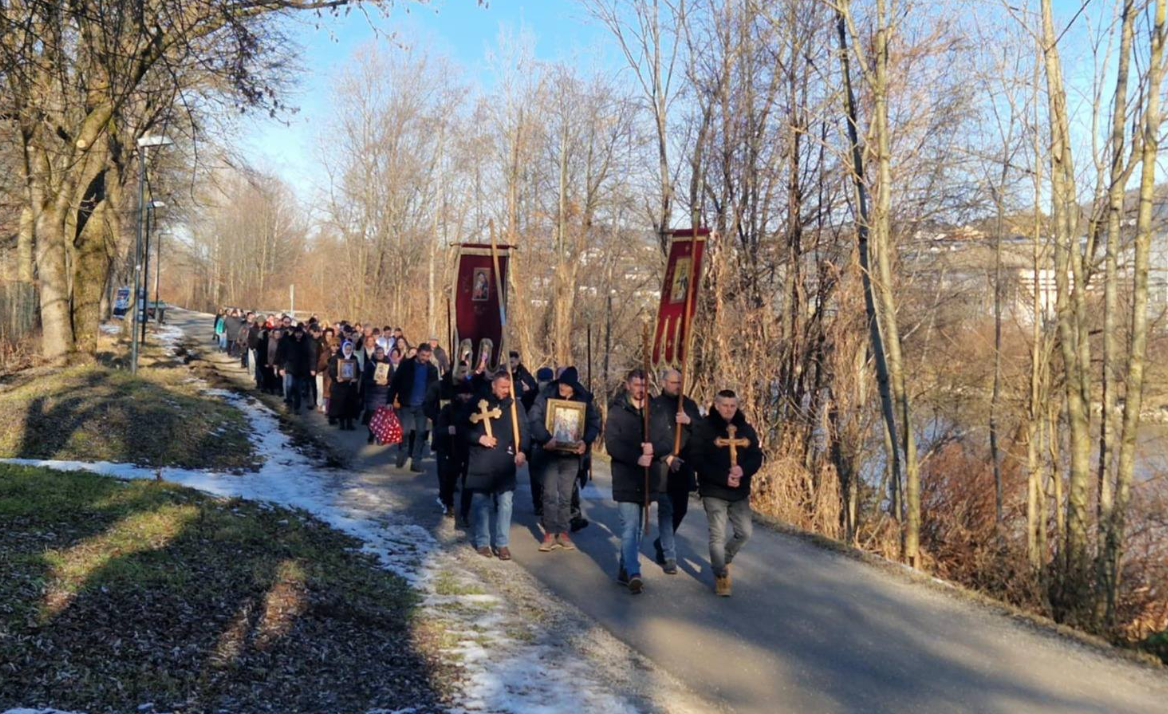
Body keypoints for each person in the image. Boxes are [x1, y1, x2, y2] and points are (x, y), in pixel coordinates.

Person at [604, 369, 671, 594]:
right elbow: (612, 444)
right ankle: (634, 571)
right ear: (628, 385)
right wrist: (636, 457)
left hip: (648, 477)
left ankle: (624, 568)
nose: (640, 390)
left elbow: (667, 441)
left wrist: (655, 449)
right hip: (625, 476)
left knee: (639, 529)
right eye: (636, 385)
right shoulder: (617, 411)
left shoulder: (656, 412)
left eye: (643, 385)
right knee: (629, 525)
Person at [692, 389, 764, 597]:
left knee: (745, 532)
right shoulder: (704, 428)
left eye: (733, 405)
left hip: (739, 491)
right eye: (724, 405)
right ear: (716, 405)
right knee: (717, 534)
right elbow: (697, 459)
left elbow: (756, 456)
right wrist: (723, 477)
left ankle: (724, 558)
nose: (729, 409)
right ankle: (721, 575)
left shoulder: (745, 429)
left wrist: (743, 470)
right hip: (713, 490)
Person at [529, 366, 600, 552]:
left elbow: (594, 424)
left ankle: (563, 532)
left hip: (572, 455)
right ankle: (549, 533)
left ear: (574, 386)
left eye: (567, 385)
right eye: (561, 383)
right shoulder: (546, 395)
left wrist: (585, 441)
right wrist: (545, 438)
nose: (562, 387)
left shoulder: (583, 399)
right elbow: (534, 418)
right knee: (550, 494)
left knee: (566, 496)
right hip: (550, 454)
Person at [464, 372, 529, 559]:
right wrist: (479, 438)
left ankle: (502, 544)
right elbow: (462, 428)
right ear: (493, 385)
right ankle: (483, 541)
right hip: (482, 459)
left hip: (504, 461)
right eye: (502, 387)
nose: (505, 391)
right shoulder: (477, 402)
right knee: (481, 503)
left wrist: (522, 450)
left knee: (506, 503)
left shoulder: (515, 405)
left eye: (508, 387)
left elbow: (524, 430)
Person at [649, 368, 702, 574]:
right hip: (663, 465)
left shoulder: (688, 405)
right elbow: (650, 436)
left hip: (684, 464)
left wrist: (689, 421)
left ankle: (661, 541)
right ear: (663, 383)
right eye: (673, 383)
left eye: (679, 383)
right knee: (666, 510)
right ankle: (669, 555)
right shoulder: (656, 405)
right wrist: (666, 457)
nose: (677, 386)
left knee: (681, 510)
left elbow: (702, 430)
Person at [388, 342, 439, 472]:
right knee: (404, 432)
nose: (424, 358)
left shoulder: (432, 370)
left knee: (421, 434)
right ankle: (403, 451)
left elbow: (435, 391)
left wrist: (434, 410)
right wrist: (389, 400)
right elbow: (395, 382)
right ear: (417, 353)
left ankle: (416, 462)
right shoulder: (406, 365)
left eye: (427, 356)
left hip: (422, 406)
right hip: (406, 403)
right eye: (423, 355)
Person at [434, 378, 473, 517]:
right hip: (451, 449)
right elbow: (438, 430)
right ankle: (448, 503)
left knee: (468, 482)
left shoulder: (475, 409)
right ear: (458, 394)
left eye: (470, 394)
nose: (467, 397)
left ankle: (464, 512)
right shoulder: (448, 409)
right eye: (465, 394)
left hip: (468, 449)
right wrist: (447, 430)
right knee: (449, 480)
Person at [279, 324, 317, 415]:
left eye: (300, 333)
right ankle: (288, 403)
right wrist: (281, 367)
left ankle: (297, 407)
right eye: (297, 333)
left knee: (298, 389)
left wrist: (312, 368)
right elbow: (282, 355)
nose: (298, 335)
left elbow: (311, 356)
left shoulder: (306, 343)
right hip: (290, 368)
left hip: (301, 369)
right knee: (289, 386)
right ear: (294, 333)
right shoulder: (289, 342)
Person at [328, 340, 362, 430]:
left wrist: (356, 378)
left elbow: (357, 371)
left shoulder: (354, 358)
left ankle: (350, 423)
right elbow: (331, 370)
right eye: (346, 349)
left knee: (350, 405)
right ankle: (342, 423)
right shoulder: (336, 358)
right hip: (339, 386)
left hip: (350, 386)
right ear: (343, 349)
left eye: (349, 349)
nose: (348, 351)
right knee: (341, 405)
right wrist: (336, 377)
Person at [362, 345, 393, 443]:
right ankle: (371, 435)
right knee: (371, 416)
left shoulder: (389, 364)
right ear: (374, 354)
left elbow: (393, 378)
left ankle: (380, 436)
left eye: (381, 353)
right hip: (372, 394)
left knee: (382, 417)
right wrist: (375, 382)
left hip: (384, 393)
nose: (379, 355)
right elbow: (365, 379)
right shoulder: (370, 365)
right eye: (377, 353)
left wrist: (387, 381)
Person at [316, 327, 337, 414]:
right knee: (320, 389)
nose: (329, 337)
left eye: (330, 335)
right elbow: (316, 356)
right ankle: (320, 404)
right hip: (321, 369)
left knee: (327, 389)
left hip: (329, 372)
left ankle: (326, 406)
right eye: (327, 335)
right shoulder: (320, 344)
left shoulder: (335, 346)